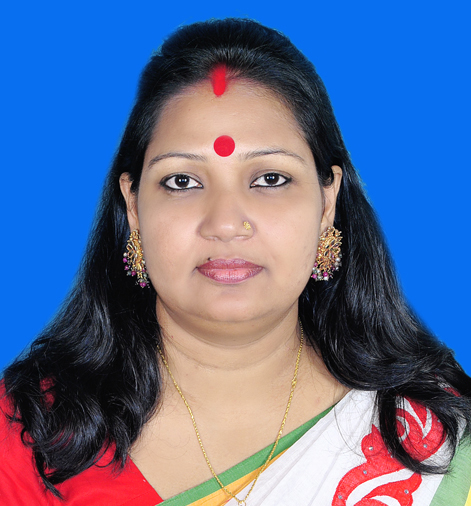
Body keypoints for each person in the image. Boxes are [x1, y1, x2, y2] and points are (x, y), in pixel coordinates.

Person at [1, 17, 470, 506]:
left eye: (270, 179)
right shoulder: (27, 440)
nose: (226, 223)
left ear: (327, 203)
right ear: (134, 206)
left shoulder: (440, 442)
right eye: (182, 182)